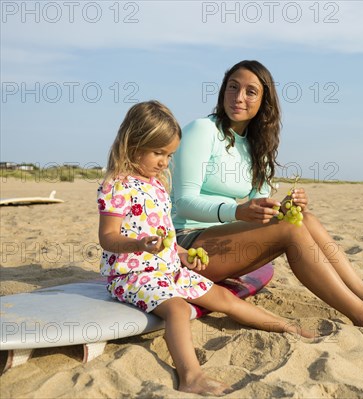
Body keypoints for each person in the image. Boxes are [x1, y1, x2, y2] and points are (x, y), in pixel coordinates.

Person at [172, 60, 363, 333]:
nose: (238, 97)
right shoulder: (203, 130)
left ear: (264, 102)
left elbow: (258, 207)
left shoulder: (255, 145)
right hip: (188, 244)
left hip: (226, 243)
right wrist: (236, 212)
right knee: (291, 231)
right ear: (223, 91)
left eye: (250, 92)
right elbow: (184, 203)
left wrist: (281, 209)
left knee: (304, 219)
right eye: (233, 88)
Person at [97, 100, 314, 396]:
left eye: (169, 154)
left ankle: (284, 326)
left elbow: (167, 236)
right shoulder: (117, 186)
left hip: (168, 269)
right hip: (133, 275)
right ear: (134, 143)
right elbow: (108, 238)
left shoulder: (158, 185)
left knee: (224, 298)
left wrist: (184, 255)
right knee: (177, 309)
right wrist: (139, 244)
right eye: (158, 153)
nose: (164, 162)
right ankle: (191, 376)